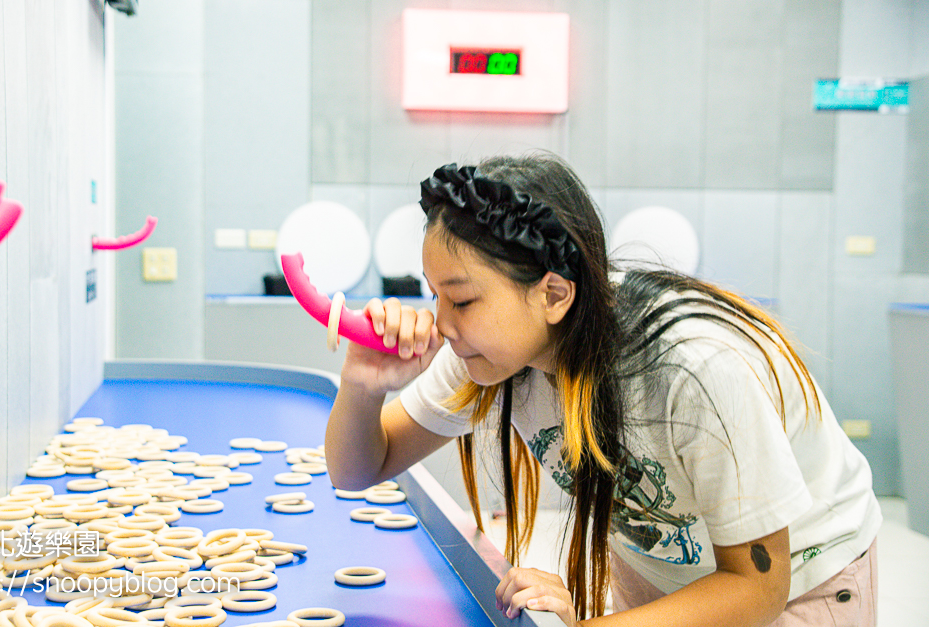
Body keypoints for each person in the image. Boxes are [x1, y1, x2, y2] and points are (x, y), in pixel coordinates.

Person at [324, 154, 881, 627]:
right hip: (662, 570)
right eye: (435, 297)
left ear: (555, 294)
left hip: (798, 580)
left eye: (462, 300)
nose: (441, 324)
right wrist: (363, 385)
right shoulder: (489, 356)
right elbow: (357, 470)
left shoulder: (694, 370)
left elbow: (758, 586)